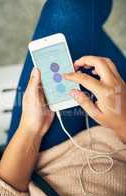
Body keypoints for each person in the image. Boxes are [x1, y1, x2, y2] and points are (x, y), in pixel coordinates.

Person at [0, 56, 126, 196]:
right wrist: (122, 123)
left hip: (39, 159)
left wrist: (30, 128)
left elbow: (3, 193)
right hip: (118, 148)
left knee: (73, 48)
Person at [7, 0, 126, 151]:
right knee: (78, 17)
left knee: (69, 9)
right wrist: (123, 122)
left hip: (37, 155)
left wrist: (30, 129)